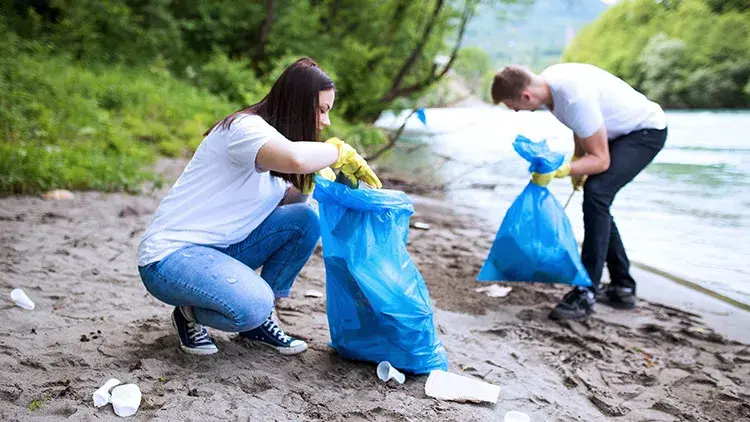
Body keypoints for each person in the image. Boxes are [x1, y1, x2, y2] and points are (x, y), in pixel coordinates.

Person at [137, 57, 382, 355]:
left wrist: (309, 185)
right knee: (252, 305)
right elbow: (296, 158)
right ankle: (190, 313)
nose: (325, 121)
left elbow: (289, 209)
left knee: (306, 219)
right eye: (321, 110)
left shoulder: (280, 145)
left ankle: (260, 321)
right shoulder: (245, 129)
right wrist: (336, 151)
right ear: (298, 104)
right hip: (171, 257)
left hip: (221, 249)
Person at [491, 63, 667, 320]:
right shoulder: (550, 86)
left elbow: (602, 161)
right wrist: (577, 157)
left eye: (515, 107)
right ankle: (622, 287)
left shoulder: (572, 96)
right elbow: (581, 126)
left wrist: (562, 170)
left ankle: (586, 292)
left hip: (645, 132)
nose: (518, 111)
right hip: (615, 133)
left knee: (597, 194)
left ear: (526, 96)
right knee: (597, 199)